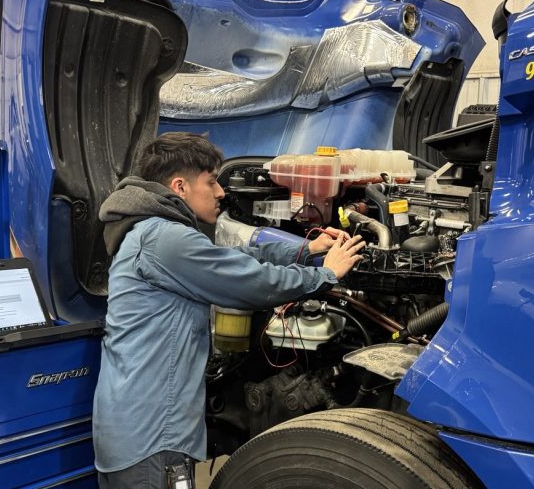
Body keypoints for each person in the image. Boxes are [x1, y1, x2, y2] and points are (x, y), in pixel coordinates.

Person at [93, 133, 366, 488]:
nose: (221, 192)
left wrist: (307, 249)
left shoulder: (152, 232)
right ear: (180, 186)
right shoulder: (163, 238)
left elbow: (232, 258)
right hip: (152, 435)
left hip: (138, 430)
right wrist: (325, 274)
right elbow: (249, 282)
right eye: (211, 182)